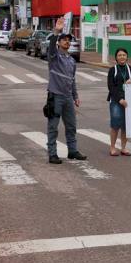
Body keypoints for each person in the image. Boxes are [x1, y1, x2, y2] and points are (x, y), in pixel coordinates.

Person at [47, 17, 87, 164]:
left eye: (68, 40)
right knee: (53, 127)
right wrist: (56, 31)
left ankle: (72, 151)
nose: (67, 42)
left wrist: (75, 96)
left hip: (68, 97)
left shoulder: (71, 60)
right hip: (55, 96)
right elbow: (51, 46)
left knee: (71, 126)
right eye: (64, 40)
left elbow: (72, 79)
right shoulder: (54, 57)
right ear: (59, 42)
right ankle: (52, 153)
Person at [107, 48, 131, 156]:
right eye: (120, 55)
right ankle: (112, 147)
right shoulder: (113, 70)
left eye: (124, 55)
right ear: (116, 57)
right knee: (115, 124)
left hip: (129, 101)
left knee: (126, 125)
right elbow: (111, 87)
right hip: (117, 100)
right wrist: (120, 99)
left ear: (127, 57)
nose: (122, 57)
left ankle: (124, 148)